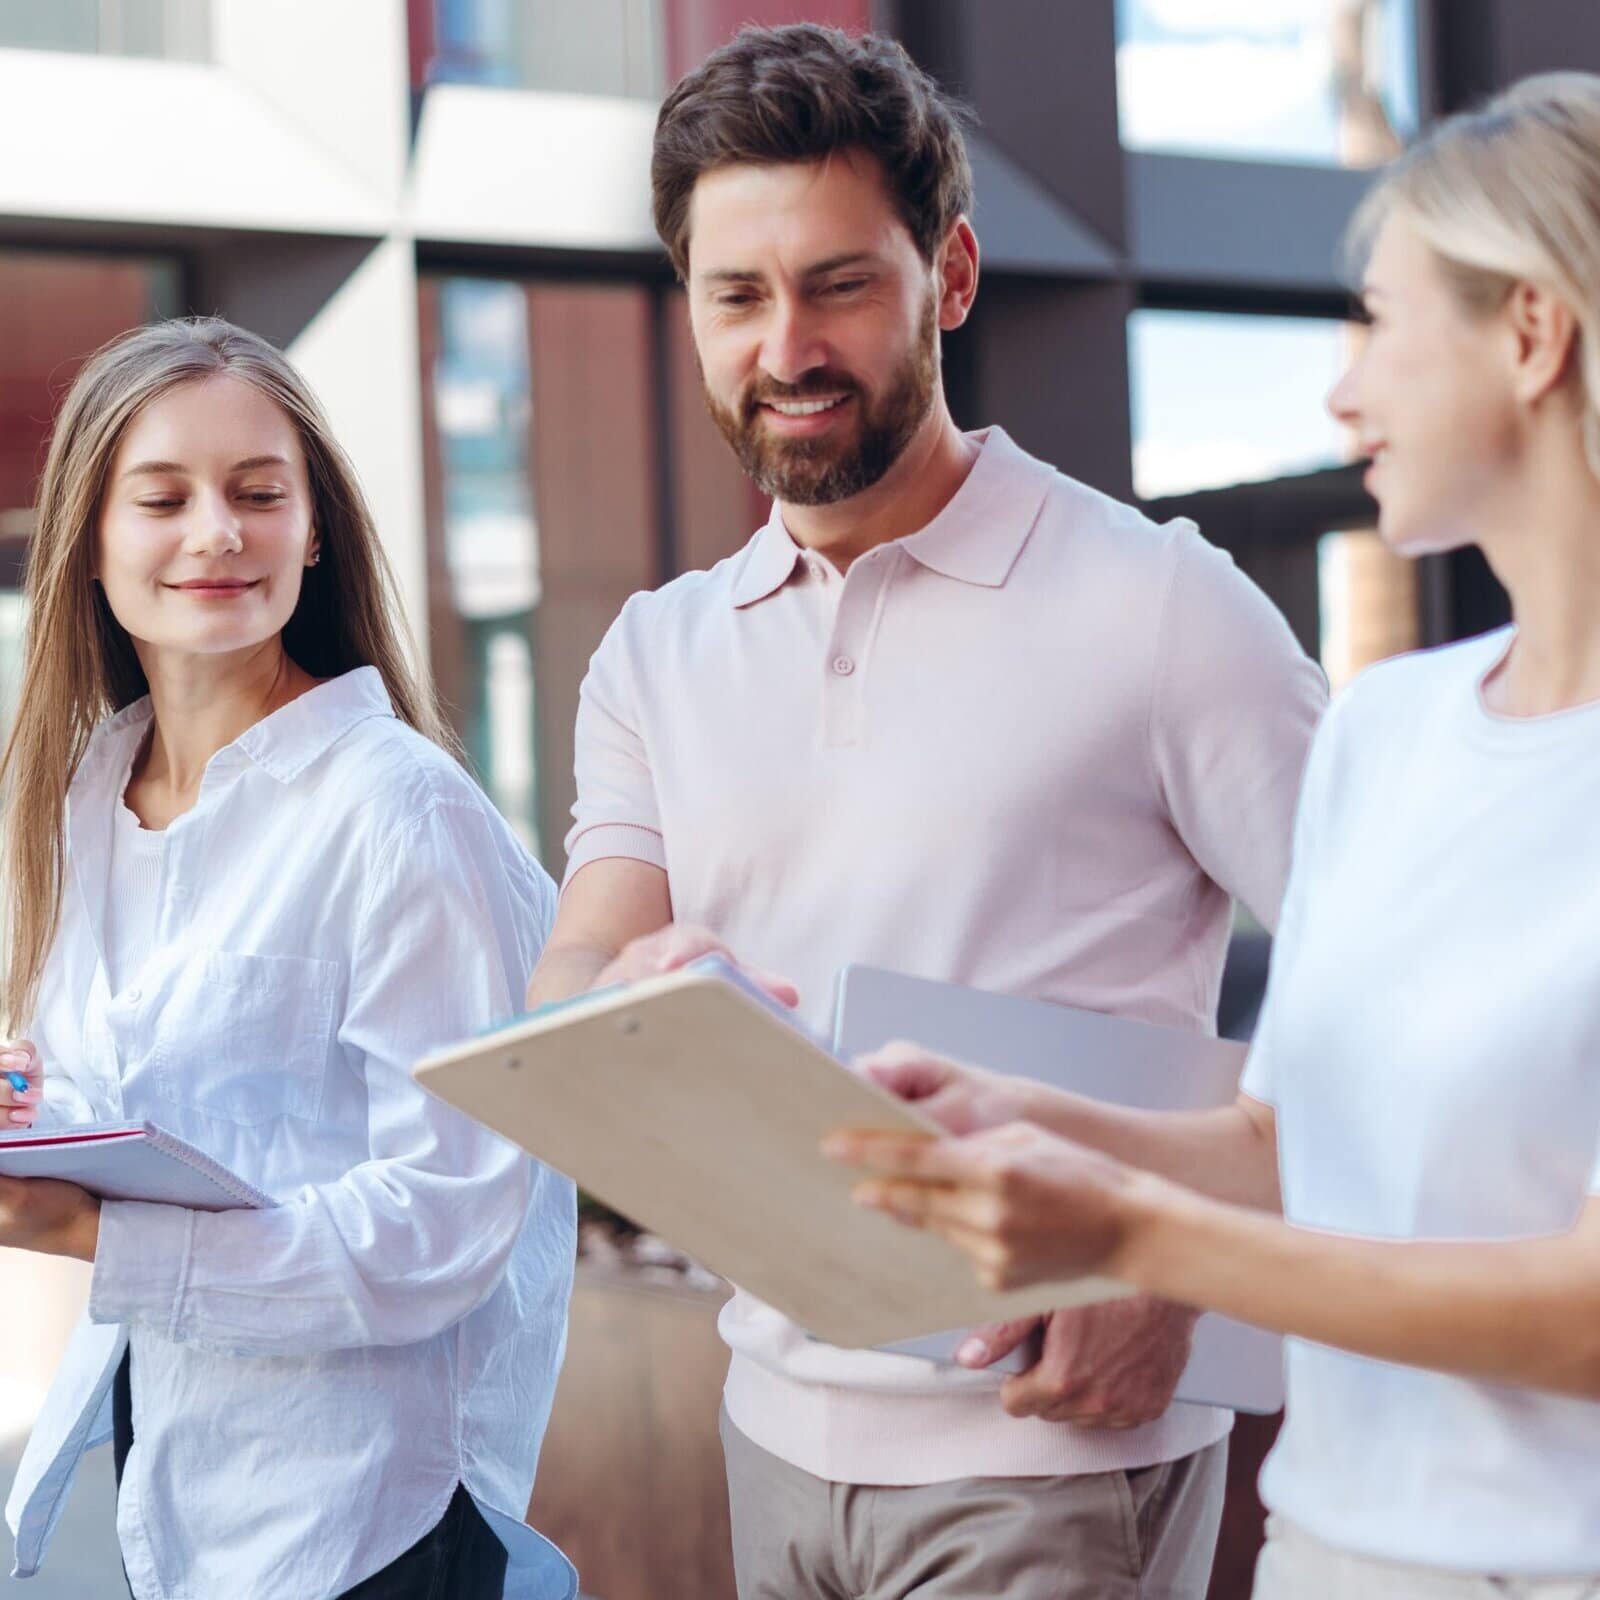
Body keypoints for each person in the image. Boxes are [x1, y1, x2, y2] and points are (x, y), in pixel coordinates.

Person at [527, 23, 1326, 1600]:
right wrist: (625, 1005)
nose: (787, 349)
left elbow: (1391, 978)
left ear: (949, 275)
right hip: (765, 1428)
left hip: (1055, 1442)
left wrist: (1189, 1263)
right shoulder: (657, 652)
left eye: (840, 284)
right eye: (737, 296)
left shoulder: (1160, 605)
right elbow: (566, 977)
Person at [828, 71, 1600, 1600]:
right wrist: (1034, 1123)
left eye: (1376, 322)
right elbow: (1286, 1143)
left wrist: (1134, 1235)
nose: (1340, 390)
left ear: (1530, 334)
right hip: (1324, 1551)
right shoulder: (1389, 734)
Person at [0, 318, 576, 1600]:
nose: (216, 531)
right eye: (163, 497)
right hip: (180, 1483)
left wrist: (102, 1237)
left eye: (259, 493)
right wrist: (33, 1113)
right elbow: (175, 1100)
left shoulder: (399, 811)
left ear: (314, 530)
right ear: (92, 539)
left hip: (370, 1515)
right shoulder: (93, 787)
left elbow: (446, 1220)